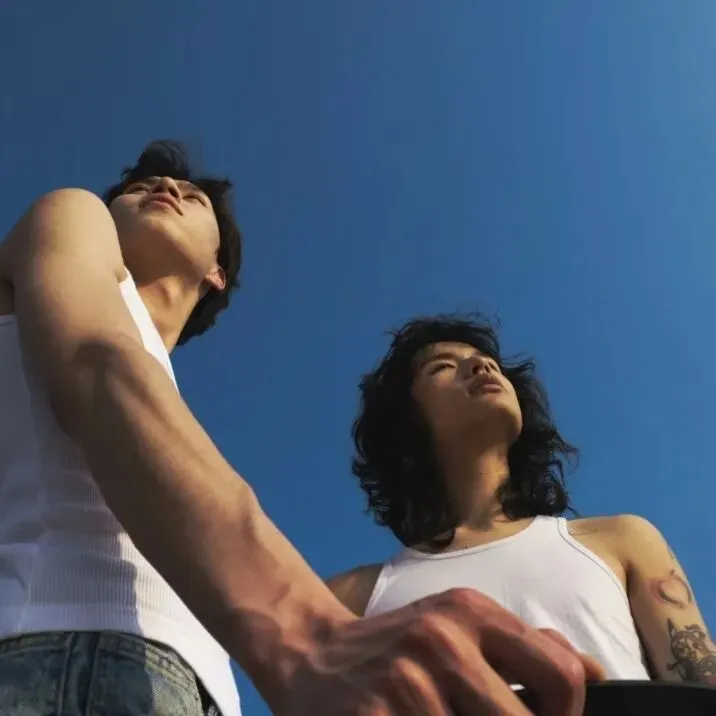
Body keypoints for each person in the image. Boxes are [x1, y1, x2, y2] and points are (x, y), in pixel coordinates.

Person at [0, 142, 603, 716]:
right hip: (58, 654)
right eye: (138, 187)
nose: (165, 187)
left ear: (217, 273)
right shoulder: (71, 214)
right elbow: (95, 362)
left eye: (194, 195)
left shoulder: (163, 390)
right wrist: (307, 628)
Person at [328, 314, 716, 687]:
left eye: (488, 361)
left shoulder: (623, 540)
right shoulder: (351, 598)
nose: (481, 365)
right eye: (442, 367)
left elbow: (701, 687)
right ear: (405, 419)